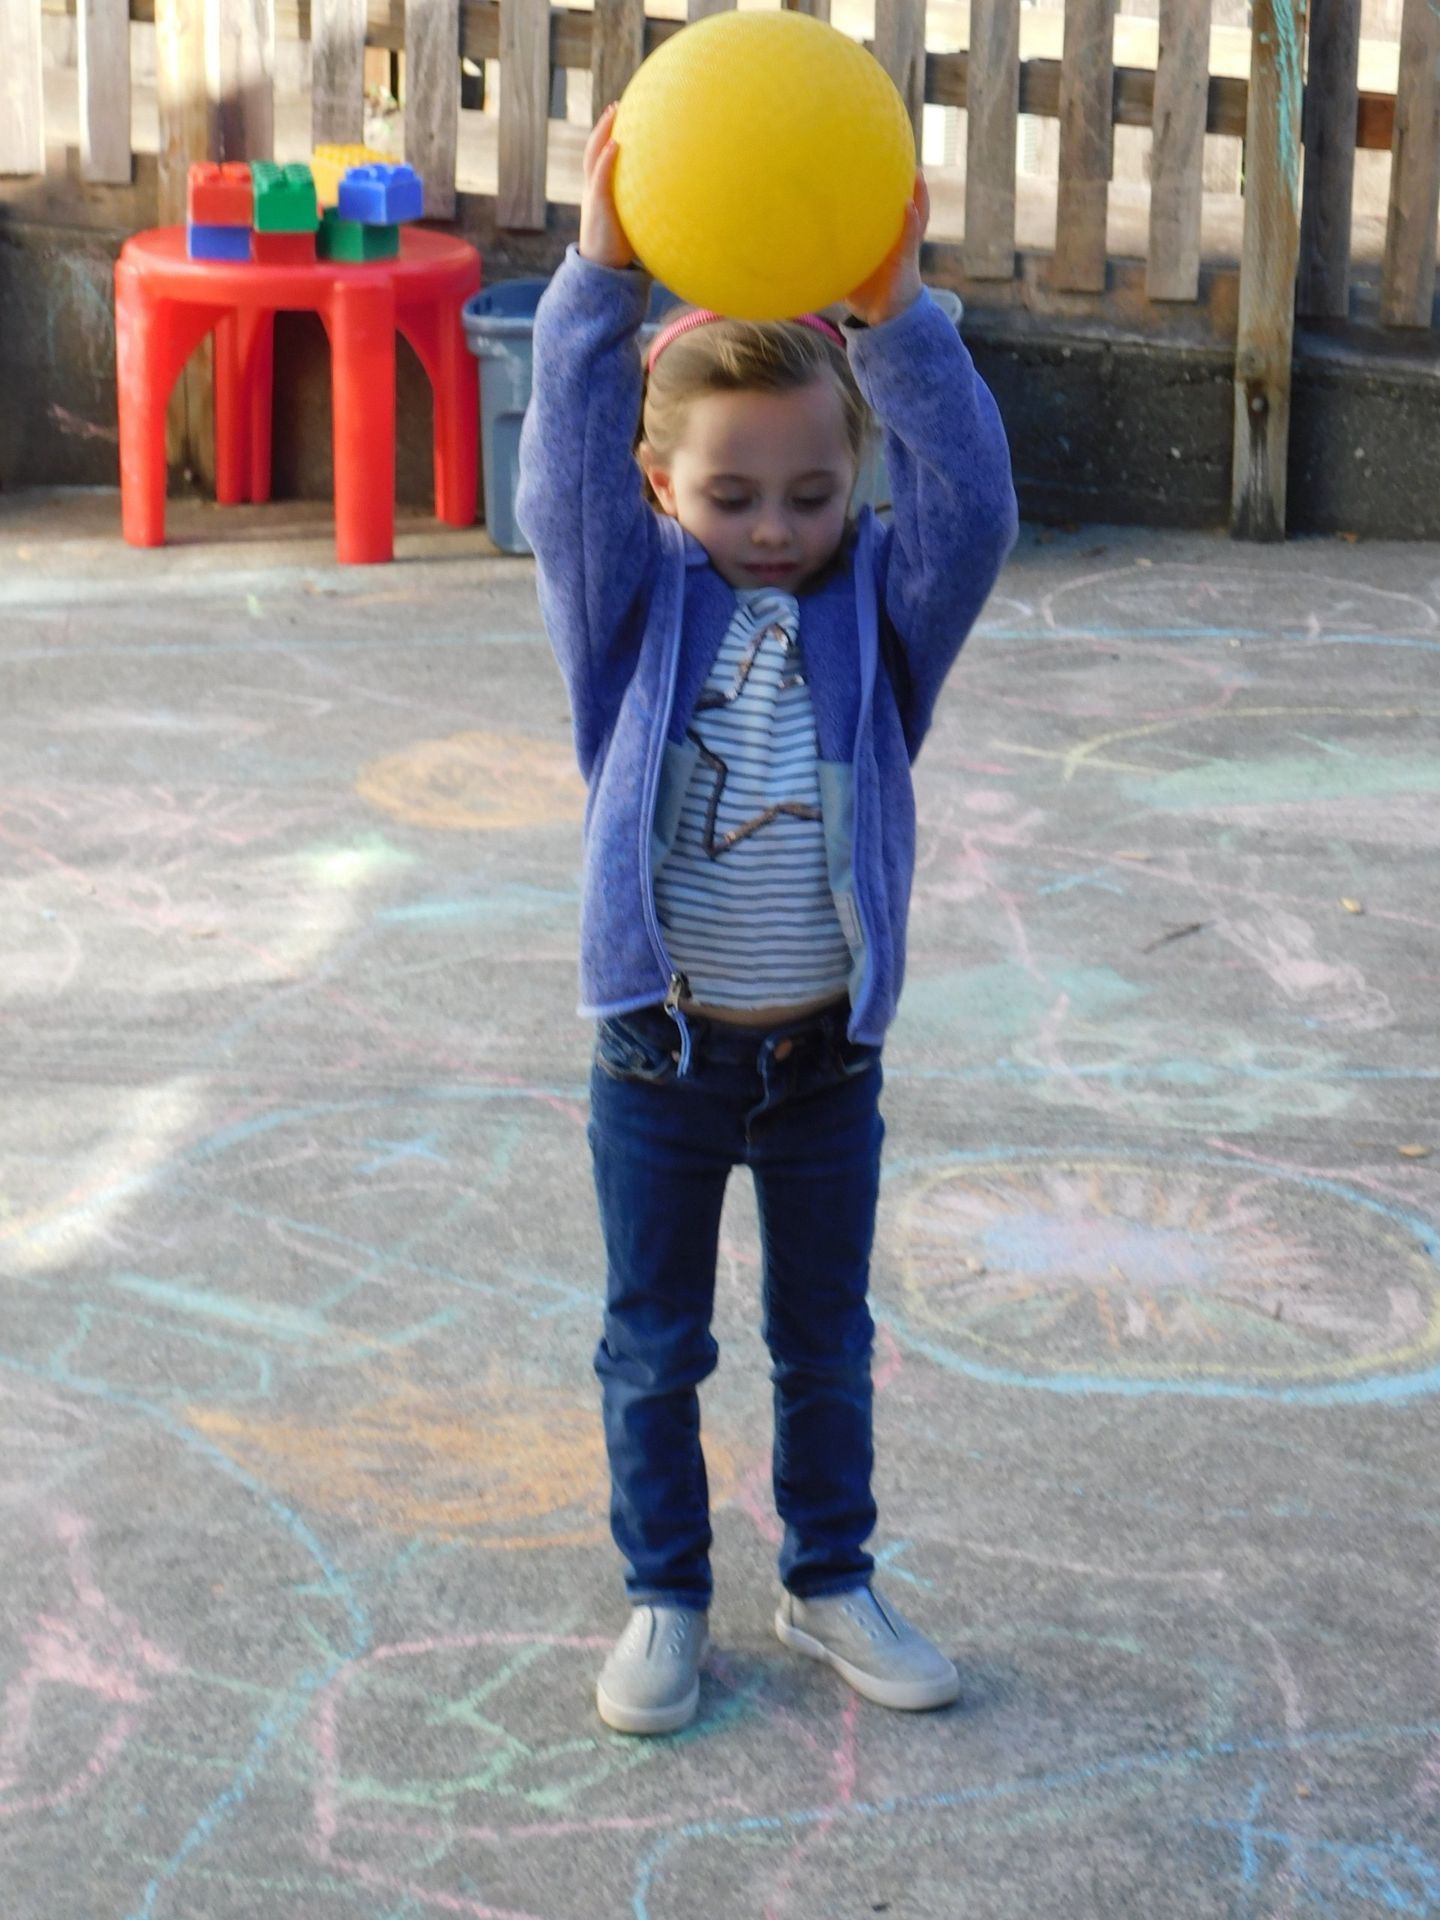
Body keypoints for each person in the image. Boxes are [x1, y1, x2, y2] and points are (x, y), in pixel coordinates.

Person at [516, 102, 1017, 1736]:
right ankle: (666, 1596)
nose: (780, 524)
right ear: (662, 485)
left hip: (820, 1065)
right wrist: (594, 278)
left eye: (813, 489)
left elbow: (981, 509)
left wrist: (899, 312)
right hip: (662, 1058)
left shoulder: (879, 606)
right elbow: (559, 481)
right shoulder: (631, 601)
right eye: (735, 494)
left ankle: (826, 1582)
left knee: (827, 1342)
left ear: (854, 473)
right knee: (656, 1345)